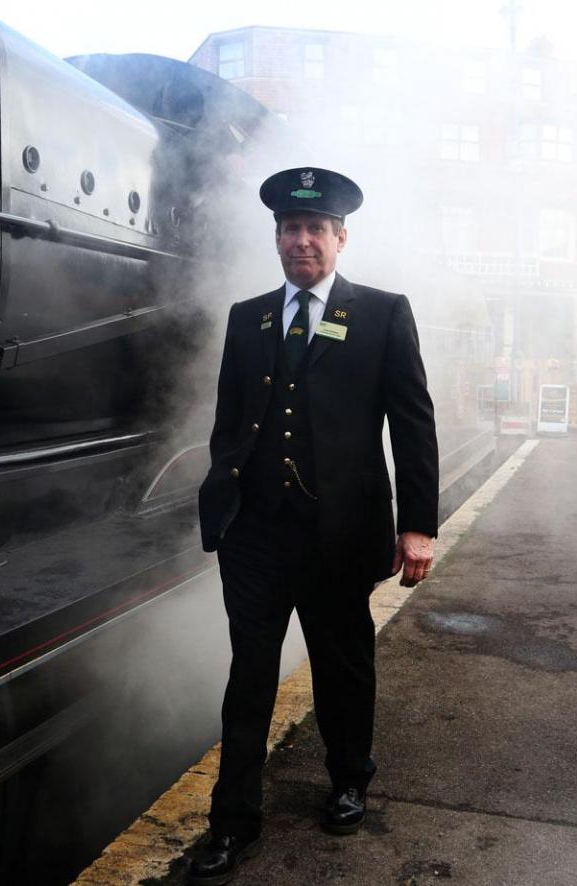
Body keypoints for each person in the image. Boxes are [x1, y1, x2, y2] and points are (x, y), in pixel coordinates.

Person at [189, 167, 438, 885]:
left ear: (340, 238)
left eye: (315, 230)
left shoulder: (383, 312)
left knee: (343, 667)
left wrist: (417, 525)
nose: (302, 241)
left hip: (341, 534)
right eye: (291, 230)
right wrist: (225, 502)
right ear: (277, 239)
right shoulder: (249, 316)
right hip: (258, 536)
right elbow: (229, 423)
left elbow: (412, 426)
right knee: (249, 679)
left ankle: (349, 778)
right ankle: (233, 822)